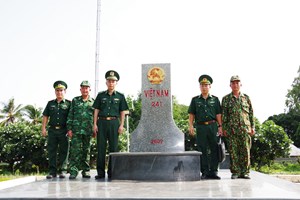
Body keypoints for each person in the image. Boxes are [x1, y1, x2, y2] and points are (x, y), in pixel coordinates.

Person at [93, 70, 129, 179]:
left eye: (113, 81)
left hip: (114, 123)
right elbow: (96, 110)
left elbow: (123, 111)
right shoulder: (100, 95)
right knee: (101, 148)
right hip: (102, 122)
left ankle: (112, 172)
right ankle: (100, 173)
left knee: (113, 148)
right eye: (109, 81)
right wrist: (94, 124)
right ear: (106, 82)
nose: (111, 83)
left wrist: (121, 125)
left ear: (116, 83)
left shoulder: (120, 96)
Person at [188, 74, 223, 180]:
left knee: (214, 148)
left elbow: (218, 114)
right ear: (200, 87)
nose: (204, 87)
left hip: (213, 126)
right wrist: (191, 126)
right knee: (202, 148)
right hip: (201, 127)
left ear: (210, 86)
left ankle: (214, 171)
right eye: (202, 85)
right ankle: (204, 172)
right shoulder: (195, 100)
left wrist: (220, 126)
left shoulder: (215, 100)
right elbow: (191, 114)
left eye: (206, 85)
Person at [221, 75, 255, 179]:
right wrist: (224, 129)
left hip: (245, 129)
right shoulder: (226, 99)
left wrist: (253, 127)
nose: (235, 85)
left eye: (237, 83)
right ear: (230, 85)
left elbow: (251, 114)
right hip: (232, 130)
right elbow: (224, 115)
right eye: (233, 83)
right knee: (233, 152)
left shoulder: (246, 98)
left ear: (241, 84)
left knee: (246, 151)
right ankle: (235, 172)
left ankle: (245, 172)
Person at [42, 80, 71, 179]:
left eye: (61, 90)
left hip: (64, 131)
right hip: (52, 131)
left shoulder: (69, 104)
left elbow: (71, 117)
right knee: (52, 151)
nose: (59, 92)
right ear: (55, 92)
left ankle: (63, 170)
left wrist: (70, 130)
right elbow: (45, 116)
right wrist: (43, 128)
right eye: (57, 90)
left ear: (65, 91)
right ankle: (52, 171)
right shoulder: (50, 104)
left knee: (64, 151)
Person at [67, 81, 94, 179]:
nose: (85, 90)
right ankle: (73, 171)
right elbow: (70, 114)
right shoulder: (75, 100)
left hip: (88, 130)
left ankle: (86, 171)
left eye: (87, 88)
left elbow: (96, 117)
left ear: (89, 89)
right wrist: (69, 129)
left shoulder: (93, 102)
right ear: (80, 89)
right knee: (75, 151)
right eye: (83, 88)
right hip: (76, 130)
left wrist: (94, 129)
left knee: (86, 151)